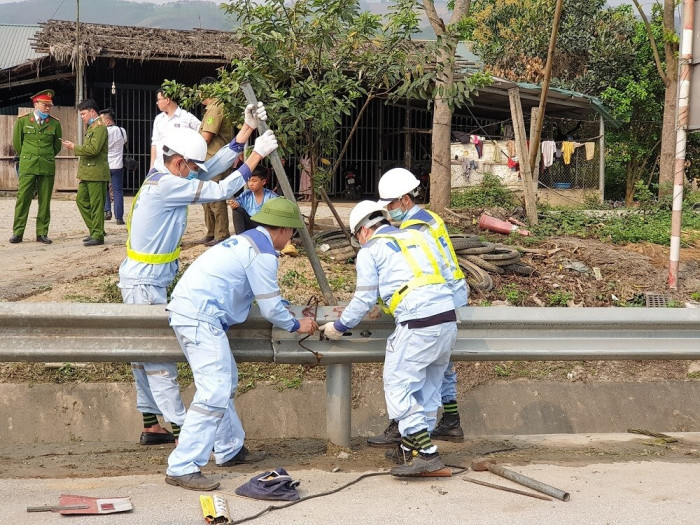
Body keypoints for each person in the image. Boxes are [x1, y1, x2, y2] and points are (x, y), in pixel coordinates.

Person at [118, 103, 271, 448]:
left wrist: (244, 134)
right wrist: (255, 157)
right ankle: (188, 432)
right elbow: (218, 188)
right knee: (158, 362)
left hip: (147, 278)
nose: (194, 172)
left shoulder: (166, 173)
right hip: (145, 282)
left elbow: (206, 170)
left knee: (144, 355)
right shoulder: (168, 187)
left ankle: (153, 426)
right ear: (178, 162)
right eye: (190, 167)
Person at [165, 197, 318, 491]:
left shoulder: (247, 241)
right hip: (200, 318)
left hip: (195, 314)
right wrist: (297, 325)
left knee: (225, 382)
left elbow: (259, 292)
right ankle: (183, 466)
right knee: (214, 390)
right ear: (284, 231)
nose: (291, 240)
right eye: (292, 233)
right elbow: (272, 310)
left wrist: (282, 306)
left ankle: (230, 449)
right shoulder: (263, 253)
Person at [319, 200, 457, 477]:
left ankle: (428, 456)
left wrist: (339, 325)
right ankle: (411, 450)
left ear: (363, 232)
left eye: (357, 237)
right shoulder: (419, 236)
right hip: (447, 318)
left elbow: (364, 298)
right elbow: (438, 275)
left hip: (417, 323)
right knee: (427, 388)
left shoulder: (371, 250)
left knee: (398, 386)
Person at [367, 168, 468, 447]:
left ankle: (409, 428)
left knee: (424, 367)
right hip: (447, 293)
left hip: (438, 296)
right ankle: (442, 422)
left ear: (405, 200)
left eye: (390, 205)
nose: (388, 212)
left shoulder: (414, 228)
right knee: (439, 364)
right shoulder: (427, 218)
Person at [10, 89, 62, 244]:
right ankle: (18, 233)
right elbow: (18, 144)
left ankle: (42, 233)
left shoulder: (54, 123)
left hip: (46, 166)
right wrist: (29, 155)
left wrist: (45, 156)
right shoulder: (23, 121)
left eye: (49, 105)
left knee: (45, 202)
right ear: (36, 104)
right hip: (28, 165)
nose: (47, 108)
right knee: (23, 199)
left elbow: (57, 146)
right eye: (44, 105)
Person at [61, 99, 110, 247]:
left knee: (96, 205)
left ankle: (98, 235)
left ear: (92, 112)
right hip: (88, 172)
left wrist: (74, 147)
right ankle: (96, 231)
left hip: (96, 172)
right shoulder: (92, 127)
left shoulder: (100, 128)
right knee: (81, 200)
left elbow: (93, 149)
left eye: (83, 114)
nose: (82, 117)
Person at [198, 77, 233, 246]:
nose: (198, 94)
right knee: (206, 197)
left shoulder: (215, 108)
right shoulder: (212, 108)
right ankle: (211, 232)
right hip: (209, 159)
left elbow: (206, 136)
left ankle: (221, 233)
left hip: (215, 158)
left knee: (215, 197)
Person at [150, 88, 200, 170]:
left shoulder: (186, 117)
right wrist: (152, 167)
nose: (157, 102)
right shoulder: (158, 119)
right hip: (160, 166)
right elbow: (155, 143)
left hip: (179, 166)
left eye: (159, 99)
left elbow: (202, 133)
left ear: (167, 100)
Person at [228, 168, 277, 234]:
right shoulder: (245, 194)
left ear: (263, 182)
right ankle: (241, 237)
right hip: (250, 224)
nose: (250, 184)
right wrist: (234, 205)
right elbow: (237, 203)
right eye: (249, 181)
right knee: (237, 210)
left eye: (254, 181)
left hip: (265, 226)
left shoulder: (271, 196)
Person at [99, 108, 127, 225]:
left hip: (105, 164)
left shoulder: (103, 132)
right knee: (118, 191)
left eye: (101, 120)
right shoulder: (122, 130)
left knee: (104, 189)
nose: (99, 123)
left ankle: (107, 211)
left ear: (108, 121)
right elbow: (124, 142)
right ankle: (119, 217)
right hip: (118, 165)